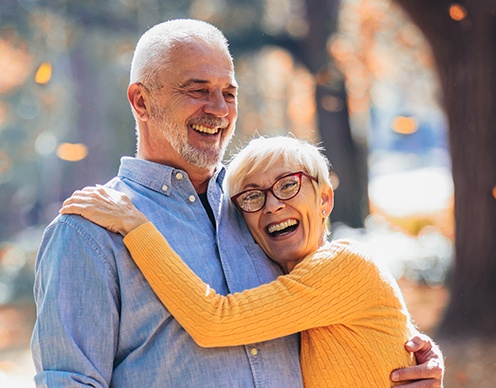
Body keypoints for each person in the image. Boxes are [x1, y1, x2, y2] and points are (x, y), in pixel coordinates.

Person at [31, 18, 444, 387]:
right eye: (197, 91)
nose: (219, 109)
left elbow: (339, 322)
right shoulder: (89, 231)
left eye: (229, 93)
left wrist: (405, 359)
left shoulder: (259, 207)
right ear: (141, 101)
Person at [61, 135, 427, 386]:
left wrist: (136, 225)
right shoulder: (286, 285)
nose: (272, 205)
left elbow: (214, 321)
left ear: (325, 199)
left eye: (288, 185)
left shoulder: (345, 265)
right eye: (252, 197)